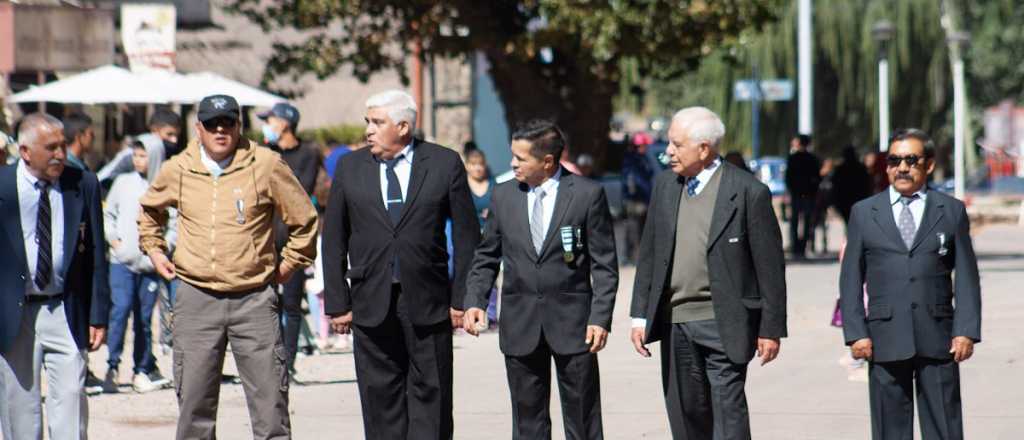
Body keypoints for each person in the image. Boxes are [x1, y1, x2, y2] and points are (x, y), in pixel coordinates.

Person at [138, 95, 319, 440]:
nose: (220, 130)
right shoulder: (178, 167)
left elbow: (305, 220)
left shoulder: (266, 164)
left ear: (239, 125)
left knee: (270, 408)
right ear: (198, 128)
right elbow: (149, 211)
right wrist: (155, 250)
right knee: (194, 408)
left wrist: (289, 265)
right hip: (195, 297)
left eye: (228, 123)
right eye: (211, 124)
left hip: (254, 298)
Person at [322, 89, 480, 440]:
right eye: (368, 122)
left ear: (404, 126)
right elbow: (333, 237)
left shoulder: (443, 163)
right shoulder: (350, 167)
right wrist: (338, 302)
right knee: (380, 396)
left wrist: (462, 299)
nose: (368, 130)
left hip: (428, 301)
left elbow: (468, 238)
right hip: (369, 300)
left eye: (377, 122)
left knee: (432, 393)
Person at [629, 107, 786, 440]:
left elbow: (769, 266)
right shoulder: (665, 187)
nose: (668, 151)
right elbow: (651, 255)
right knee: (686, 415)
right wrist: (640, 316)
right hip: (675, 323)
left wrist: (771, 328)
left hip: (724, 321)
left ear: (703, 148)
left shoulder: (747, 192)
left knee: (728, 415)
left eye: (676, 144)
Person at [463, 120, 618, 439]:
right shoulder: (504, 195)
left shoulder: (587, 195)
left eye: (520, 158)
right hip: (520, 324)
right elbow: (486, 254)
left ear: (547, 161)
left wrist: (600, 317)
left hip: (574, 325)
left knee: (583, 419)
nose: (512, 164)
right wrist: (475, 300)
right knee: (527, 422)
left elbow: (604, 265)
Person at [840, 128, 981, 440]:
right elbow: (851, 278)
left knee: (945, 427)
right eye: (894, 160)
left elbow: (968, 276)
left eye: (910, 160)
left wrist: (966, 330)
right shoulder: (864, 213)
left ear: (928, 165)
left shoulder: (951, 210)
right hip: (884, 337)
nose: (902, 167)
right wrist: (856, 333)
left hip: (939, 337)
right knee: (890, 430)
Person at [0, 113, 110, 440]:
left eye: (62, 146)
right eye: (50, 148)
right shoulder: (4, 186)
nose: (60, 154)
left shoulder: (83, 183)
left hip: (66, 309)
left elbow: (96, 254)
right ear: (25, 151)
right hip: (14, 315)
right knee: (20, 408)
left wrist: (98, 315)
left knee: (71, 405)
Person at [101, 140, 174, 394]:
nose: (137, 160)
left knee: (143, 319)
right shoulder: (123, 182)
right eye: (135, 155)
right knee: (119, 311)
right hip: (121, 262)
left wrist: (163, 249)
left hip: (150, 265)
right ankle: (112, 366)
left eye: (143, 155)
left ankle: (141, 370)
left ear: (154, 157)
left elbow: (174, 223)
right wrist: (115, 242)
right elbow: (108, 215)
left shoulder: (166, 183)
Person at [258, 102, 324, 378]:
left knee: (293, 303)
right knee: (265, 302)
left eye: (270, 120)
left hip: (294, 238)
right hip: (266, 236)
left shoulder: (308, 153)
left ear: (284, 123)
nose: (266, 125)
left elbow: (299, 189)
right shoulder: (264, 153)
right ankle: (270, 362)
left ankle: (289, 364)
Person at [465, 148, 500, 324]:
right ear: (467, 166)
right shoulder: (463, 185)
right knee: (470, 272)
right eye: (474, 165)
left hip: (490, 234)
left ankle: (491, 314)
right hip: (468, 234)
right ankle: (469, 311)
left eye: (480, 165)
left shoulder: (494, 184)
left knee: (491, 272)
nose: (478, 168)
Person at [97, 109, 181, 182]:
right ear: (154, 130)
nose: (174, 140)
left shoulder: (173, 154)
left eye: (177, 135)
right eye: (169, 134)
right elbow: (104, 178)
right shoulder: (131, 153)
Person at [785, 134, 821, 259]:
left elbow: (788, 177)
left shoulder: (792, 158)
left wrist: (791, 190)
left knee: (795, 220)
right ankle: (803, 245)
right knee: (806, 220)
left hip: (796, 193)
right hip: (808, 193)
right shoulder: (812, 159)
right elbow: (817, 177)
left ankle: (795, 246)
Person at [831, 145, 872, 225]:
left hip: (845, 201)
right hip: (857, 199)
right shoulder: (861, 168)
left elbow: (835, 186)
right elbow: (867, 184)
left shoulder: (840, 169)